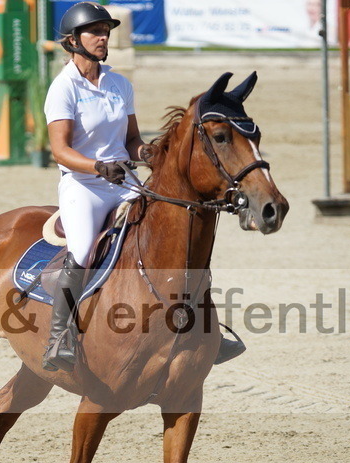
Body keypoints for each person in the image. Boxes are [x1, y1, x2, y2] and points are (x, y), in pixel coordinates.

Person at [41, 2, 244, 372]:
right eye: (96, 32)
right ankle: (60, 336)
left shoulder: (119, 84)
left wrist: (149, 153)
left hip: (125, 180)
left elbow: (132, 139)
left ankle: (206, 327)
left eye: (106, 31)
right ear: (73, 41)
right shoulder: (62, 88)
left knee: (177, 229)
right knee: (84, 249)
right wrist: (99, 166)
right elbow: (60, 150)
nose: (104, 37)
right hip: (84, 185)